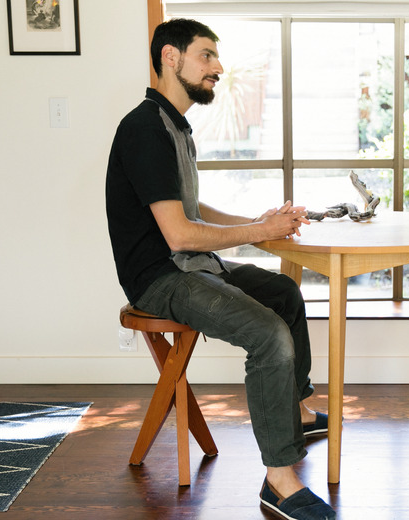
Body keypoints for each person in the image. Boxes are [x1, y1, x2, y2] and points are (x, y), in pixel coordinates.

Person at [105, 19, 336, 520]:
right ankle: (279, 480)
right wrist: (258, 233)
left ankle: (295, 410)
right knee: (269, 334)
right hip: (162, 277)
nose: (218, 66)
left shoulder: (174, 124)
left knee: (283, 293)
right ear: (171, 57)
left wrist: (261, 223)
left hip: (189, 265)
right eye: (206, 55)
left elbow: (191, 206)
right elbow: (180, 234)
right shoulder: (144, 127)